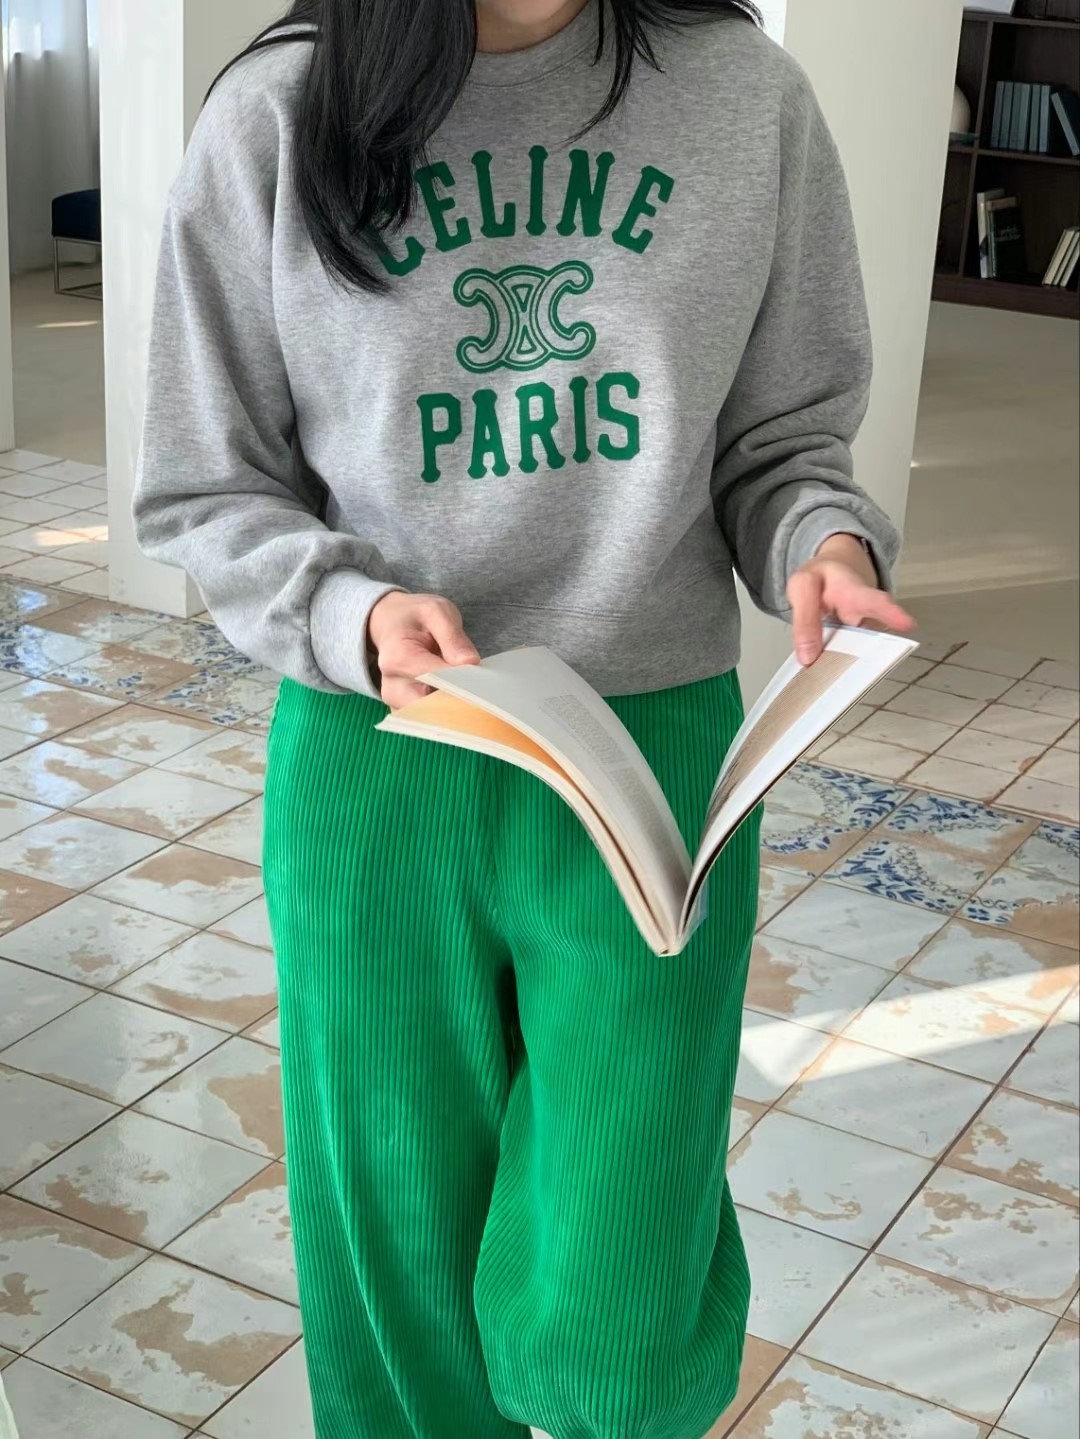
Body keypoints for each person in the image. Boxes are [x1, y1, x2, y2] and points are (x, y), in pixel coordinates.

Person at [134, 2, 914, 1435]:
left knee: (627, 1266)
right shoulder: (279, 111)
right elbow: (206, 483)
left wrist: (823, 541)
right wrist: (349, 611)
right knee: (393, 1236)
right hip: (382, 755)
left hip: (652, 762)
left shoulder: (746, 98)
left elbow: (784, 440)